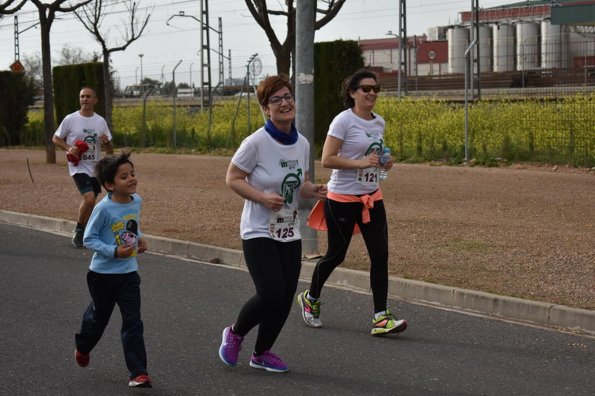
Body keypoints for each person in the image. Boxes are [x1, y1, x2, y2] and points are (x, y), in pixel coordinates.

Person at [218, 75, 327, 373]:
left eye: (288, 96)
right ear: (266, 109)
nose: (285, 103)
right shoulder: (255, 143)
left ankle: (262, 352)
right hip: (258, 229)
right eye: (276, 99)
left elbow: (299, 185)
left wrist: (312, 190)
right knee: (270, 293)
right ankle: (236, 333)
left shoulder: (302, 143)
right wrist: (262, 198)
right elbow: (233, 179)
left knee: (285, 296)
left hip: (288, 229)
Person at [297, 68, 408, 336]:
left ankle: (381, 317)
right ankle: (310, 299)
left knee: (380, 255)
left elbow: (375, 156)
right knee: (336, 255)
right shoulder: (342, 121)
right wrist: (359, 162)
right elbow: (327, 159)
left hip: (372, 196)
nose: (372, 93)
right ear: (353, 93)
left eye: (376, 89)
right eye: (366, 89)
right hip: (342, 198)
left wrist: (385, 163)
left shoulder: (378, 122)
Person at [74, 152, 151, 388]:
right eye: (124, 176)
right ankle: (83, 345)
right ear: (109, 184)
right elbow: (89, 239)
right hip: (102, 276)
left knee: (133, 321)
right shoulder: (102, 208)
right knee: (99, 318)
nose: (132, 179)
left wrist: (139, 239)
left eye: (133, 174)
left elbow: (132, 227)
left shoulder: (136, 200)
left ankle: (138, 373)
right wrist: (114, 251)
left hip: (128, 274)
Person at [53, 86, 113, 248]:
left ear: (95, 100)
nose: (85, 99)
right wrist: (69, 148)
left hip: (95, 167)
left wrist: (106, 142)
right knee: (89, 199)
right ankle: (79, 232)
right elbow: (56, 138)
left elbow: (109, 150)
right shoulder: (70, 119)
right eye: (82, 96)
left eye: (88, 96)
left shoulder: (100, 121)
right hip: (78, 165)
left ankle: (87, 229)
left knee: (92, 203)